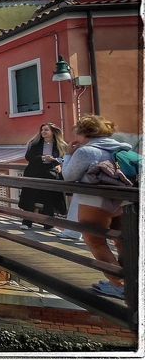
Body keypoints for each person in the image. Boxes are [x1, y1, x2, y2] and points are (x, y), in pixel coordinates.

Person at [61, 115, 132, 300]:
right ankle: (133, 282)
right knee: (123, 242)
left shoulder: (86, 151)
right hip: (123, 200)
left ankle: (119, 286)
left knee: (96, 241)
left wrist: (68, 154)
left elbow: (68, 176)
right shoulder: (122, 147)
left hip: (95, 202)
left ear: (84, 132)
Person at [18, 123, 69, 230]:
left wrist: (55, 161)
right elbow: (28, 157)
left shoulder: (60, 145)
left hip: (50, 173)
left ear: (53, 132)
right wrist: (42, 158)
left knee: (49, 198)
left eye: (46, 130)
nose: (43, 132)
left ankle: (48, 224)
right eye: (42, 130)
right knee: (30, 197)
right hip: (34, 172)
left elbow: (64, 159)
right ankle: (27, 222)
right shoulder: (35, 143)